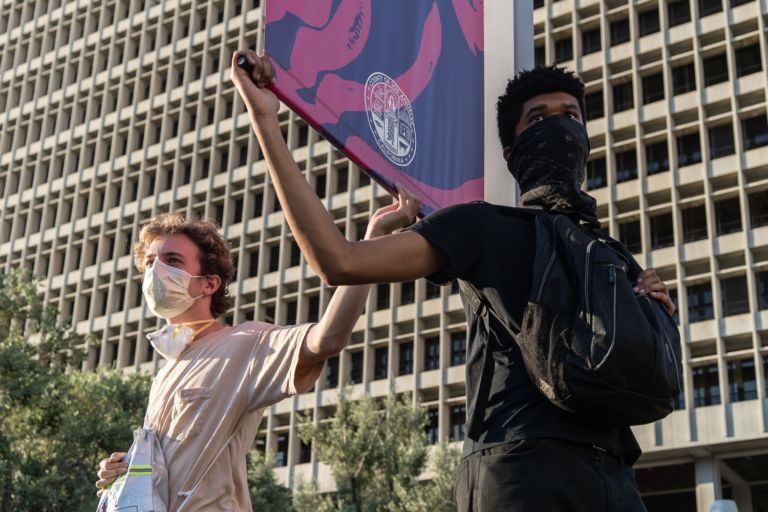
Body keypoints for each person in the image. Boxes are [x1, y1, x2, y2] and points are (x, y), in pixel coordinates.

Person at [232, 50, 677, 511]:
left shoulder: (608, 255)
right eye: (538, 117)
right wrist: (265, 120)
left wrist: (656, 324)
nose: (558, 126)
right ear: (511, 152)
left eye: (570, 115)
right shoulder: (479, 227)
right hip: (523, 470)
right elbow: (338, 261)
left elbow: (646, 384)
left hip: (616, 474)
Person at [94, 193, 420, 510]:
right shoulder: (166, 372)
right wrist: (128, 469)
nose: (155, 273)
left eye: (172, 261)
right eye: (150, 262)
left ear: (210, 283)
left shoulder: (245, 342)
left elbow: (327, 338)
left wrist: (371, 242)